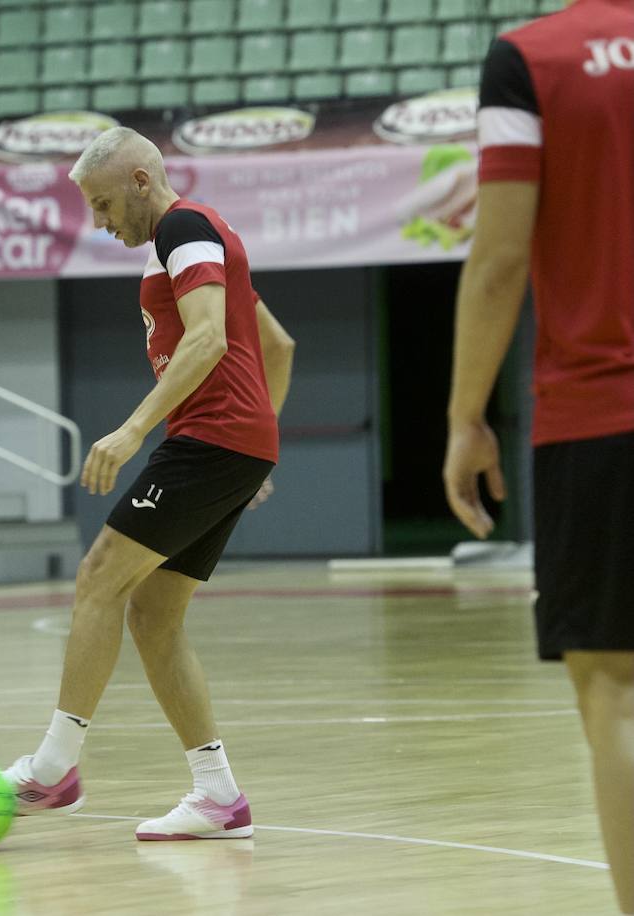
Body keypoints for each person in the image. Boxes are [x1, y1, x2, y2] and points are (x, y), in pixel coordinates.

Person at [1, 127, 295, 842]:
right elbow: (277, 345)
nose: (101, 222)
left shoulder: (183, 226)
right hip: (233, 441)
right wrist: (258, 444)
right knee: (152, 615)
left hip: (209, 436)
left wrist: (133, 430)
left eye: (103, 204)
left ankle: (55, 768)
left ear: (140, 180)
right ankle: (218, 796)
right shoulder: (204, 236)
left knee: (100, 576)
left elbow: (208, 339)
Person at [443, 3, 633, 911]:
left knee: (619, 695)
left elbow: (500, 257)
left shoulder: (530, 57)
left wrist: (463, 414)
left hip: (602, 415)